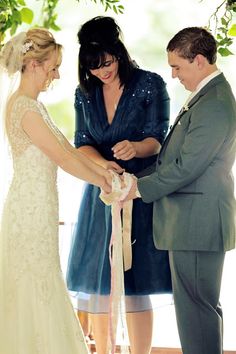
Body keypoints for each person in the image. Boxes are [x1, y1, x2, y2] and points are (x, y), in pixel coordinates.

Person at [0, 28, 112, 354]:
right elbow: (62, 158)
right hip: (28, 211)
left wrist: (106, 169)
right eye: (53, 66)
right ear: (34, 64)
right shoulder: (25, 109)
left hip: (41, 207)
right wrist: (103, 183)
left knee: (44, 279)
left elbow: (69, 149)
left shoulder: (36, 107)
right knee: (33, 283)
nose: (57, 74)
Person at [66, 16, 172, 354]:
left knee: (136, 284)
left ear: (119, 53)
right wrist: (102, 165)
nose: (102, 72)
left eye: (107, 63)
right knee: (99, 282)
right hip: (101, 195)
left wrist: (135, 148)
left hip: (139, 193)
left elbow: (158, 138)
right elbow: (82, 141)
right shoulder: (84, 94)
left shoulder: (150, 84)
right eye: (94, 67)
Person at [127, 27, 236, 354]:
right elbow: (175, 159)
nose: (173, 75)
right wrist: (131, 175)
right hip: (192, 222)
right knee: (200, 309)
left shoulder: (215, 102)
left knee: (196, 312)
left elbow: (187, 168)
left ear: (199, 60)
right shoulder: (207, 97)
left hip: (197, 223)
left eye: (178, 67)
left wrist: (137, 189)